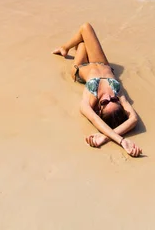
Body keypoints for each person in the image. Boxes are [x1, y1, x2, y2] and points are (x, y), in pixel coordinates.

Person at [52, 22, 142, 157]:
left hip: (80, 67)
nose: (108, 97)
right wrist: (122, 141)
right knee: (86, 28)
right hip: (102, 63)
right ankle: (65, 48)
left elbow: (94, 119)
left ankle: (65, 48)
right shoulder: (120, 95)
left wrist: (104, 136)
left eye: (105, 103)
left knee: (82, 41)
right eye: (113, 100)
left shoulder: (88, 102)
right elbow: (133, 119)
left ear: (99, 109)